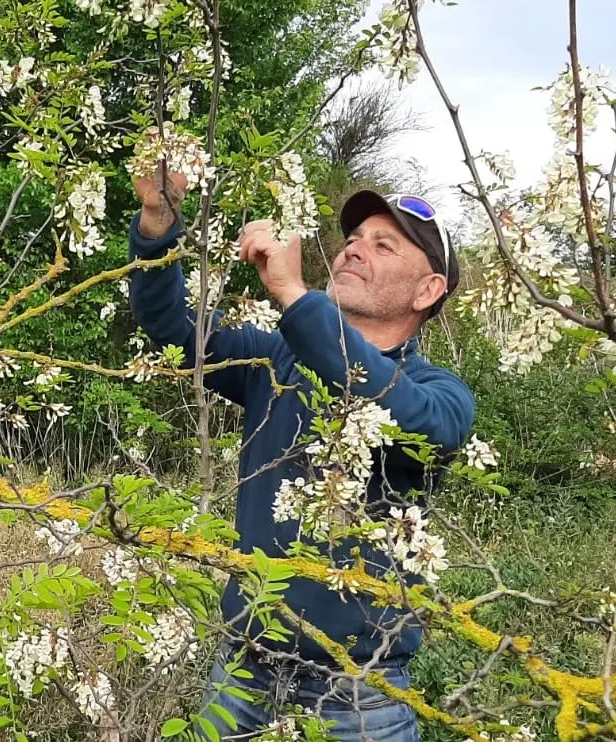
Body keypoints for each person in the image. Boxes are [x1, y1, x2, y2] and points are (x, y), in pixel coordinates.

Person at [128, 169, 475, 742]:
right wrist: (159, 223)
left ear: (427, 291)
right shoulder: (279, 357)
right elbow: (172, 328)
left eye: (383, 245)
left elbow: (398, 409)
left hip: (358, 697)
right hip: (241, 669)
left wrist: (293, 294)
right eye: (354, 239)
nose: (354, 250)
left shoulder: (443, 395)